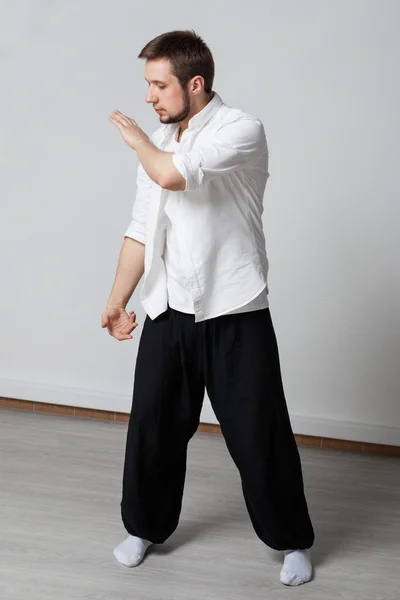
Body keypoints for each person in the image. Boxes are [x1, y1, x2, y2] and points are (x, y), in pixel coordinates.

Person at [101, 29, 315, 587]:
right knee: (152, 426)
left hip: (233, 308)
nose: (149, 97)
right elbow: (140, 230)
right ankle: (143, 527)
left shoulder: (242, 130)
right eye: (147, 85)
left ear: (195, 84)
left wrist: (136, 141)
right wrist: (118, 298)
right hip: (168, 309)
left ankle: (292, 540)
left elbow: (175, 173)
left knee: (257, 433)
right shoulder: (159, 138)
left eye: (158, 84)